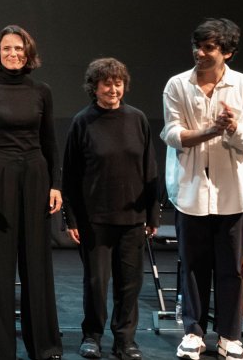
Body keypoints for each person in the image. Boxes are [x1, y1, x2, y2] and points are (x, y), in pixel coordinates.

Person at [162, 18, 243, 360]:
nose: (200, 52)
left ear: (228, 53)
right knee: (192, 266)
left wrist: (234, 125)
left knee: (231, 269)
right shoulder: (178, 85)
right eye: (197, 45)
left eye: (209, 47)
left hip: (232, 193)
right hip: (190, 192)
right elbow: (174, 135)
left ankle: (229, 336)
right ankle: (193, 333)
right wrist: (212, 130)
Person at [0, 24, 63, 360]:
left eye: (19, 49)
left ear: (28, 54)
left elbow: (50, 140)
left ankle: (45, 346)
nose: (13, 54)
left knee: (37, 263)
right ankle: (2, 351)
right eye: (7, 48)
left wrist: (55, 184)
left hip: (36, 176)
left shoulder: (42, 91)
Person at [62, 58, 159, 360]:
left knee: (130, 283)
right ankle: (92, 335)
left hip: (132, 218)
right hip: (95, 219)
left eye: (118, 83)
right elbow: (71, 176)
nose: (114, 89)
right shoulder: (82, 121)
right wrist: (72, 217)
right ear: (95, 87)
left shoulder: (137, 119)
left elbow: (149, 168)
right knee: (96, 282)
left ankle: (125, 340)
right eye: (107, 83)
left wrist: (153, 213)